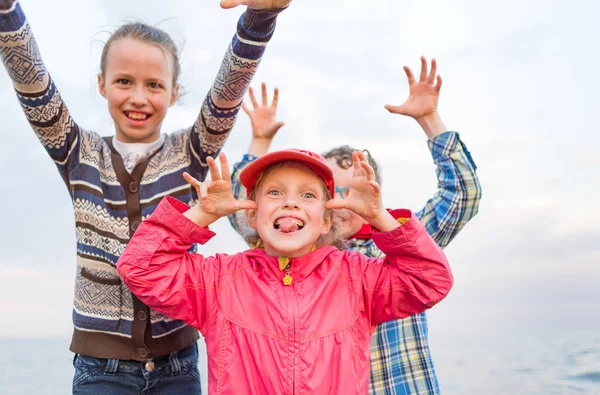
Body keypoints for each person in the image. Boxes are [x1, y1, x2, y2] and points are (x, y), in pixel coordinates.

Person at [0, 0, 291, 393]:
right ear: (102, 84)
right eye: (124, 81)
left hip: (178, 364)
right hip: (100, 368)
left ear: (173, 93)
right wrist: (7, 13)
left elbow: (227, 94)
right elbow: (33, 86)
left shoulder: (190, 151)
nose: (139, 97)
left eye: (154, 85)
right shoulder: (77, 152)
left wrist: (259, 18)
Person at [229, 57, 482, 394]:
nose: (344, 201)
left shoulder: (401, 242)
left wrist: (429, 119)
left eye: (354, 189)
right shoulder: (297, 251)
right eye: (334, 191)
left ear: (372, 192)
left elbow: (462, 194)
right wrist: (259, 142)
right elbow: (244, 209)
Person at [116, 149, 454, 394]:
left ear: (325, 221)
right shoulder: (219, 280)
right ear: (252, 215)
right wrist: (201, 214)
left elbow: (430, 280)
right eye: (275, 192)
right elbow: (141, 268)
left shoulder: (357, 277)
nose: (290, 203)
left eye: (308, 195)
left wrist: (380, 217)